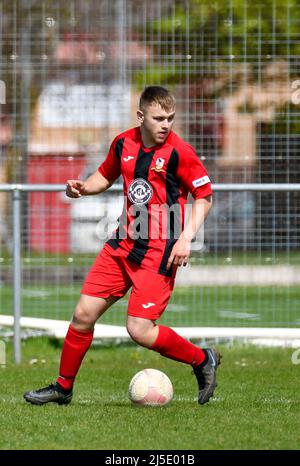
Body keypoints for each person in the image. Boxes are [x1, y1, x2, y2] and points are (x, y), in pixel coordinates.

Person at [24, 86, 221, 406]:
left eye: (170, 118)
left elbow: (205, 197)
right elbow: (105, 176)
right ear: (141, 116)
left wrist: (185, 238)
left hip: (159, 251)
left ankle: (202, 359)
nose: (166, 125)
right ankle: (62, 388)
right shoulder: (122, 143)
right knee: (83, 314)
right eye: (159, 118)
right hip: (122, 244)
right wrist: (83, 189)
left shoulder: (179, 152)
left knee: (140, 329)